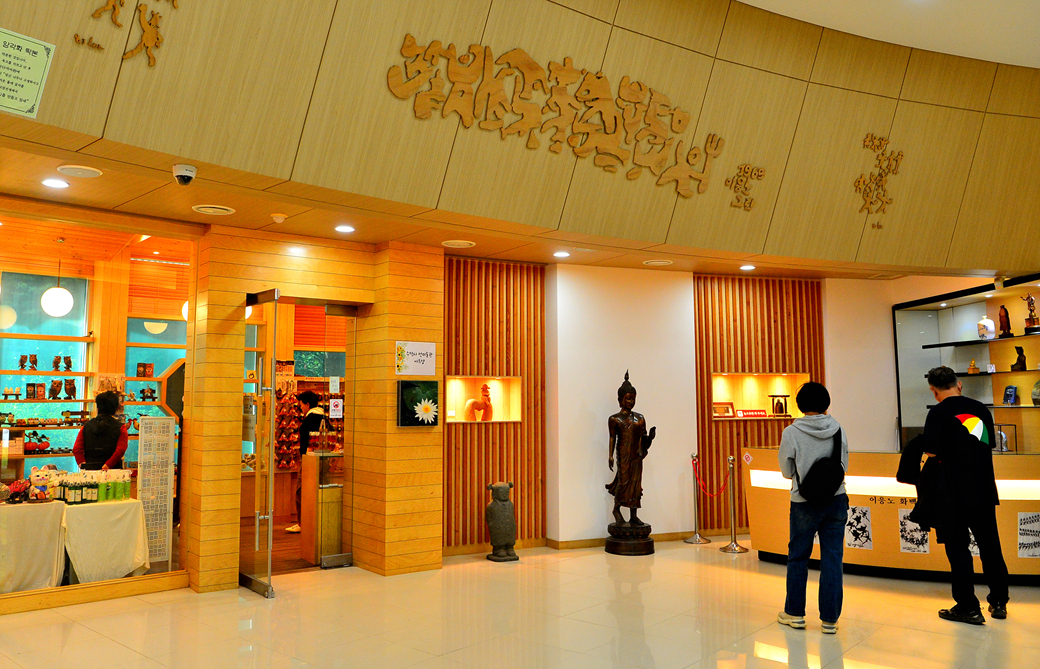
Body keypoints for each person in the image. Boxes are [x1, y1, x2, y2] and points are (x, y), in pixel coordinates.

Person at [924, 366, 1008, 624]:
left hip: (951, 494)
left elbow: (932, 451)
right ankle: (999, 601)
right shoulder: (981, 410)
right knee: (990, 546)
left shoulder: (937, 413)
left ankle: (968, 607)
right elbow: (988, 444)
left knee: (958, 550)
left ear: (934, 391)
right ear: (959, 384)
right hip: (982, 489)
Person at [777, 382, 849, 634]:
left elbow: (787, 471)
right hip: (836, 499)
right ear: (826, 403)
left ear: (800, 404)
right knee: (832, 558)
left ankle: (795, 613)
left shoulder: (791, 432)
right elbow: (843, 465)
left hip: (804, 502)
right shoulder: (838, 428)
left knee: (798, 556)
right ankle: (830, 620)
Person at [606, 372, 655, 525]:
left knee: (635, 483)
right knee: (623, 481)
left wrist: (650, 438)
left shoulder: (640, 418)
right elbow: (612, 438)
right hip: (623, 454)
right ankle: (617, 508)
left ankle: (634, 514)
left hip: (637, 455)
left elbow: (643, 438)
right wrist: (610, 455)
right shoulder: (614, 419)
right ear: (620, 400)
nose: (631, 401)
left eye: (633, 398)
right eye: (627, 398)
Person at [286, 391, 327, 534]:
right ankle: (314, 520)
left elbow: (307, 443)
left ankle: (302, 522)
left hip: (309, 460)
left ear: (307, 404)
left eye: (301, 404)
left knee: (301, 490)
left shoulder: (310, 419)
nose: (300, 408)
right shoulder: (323, 417)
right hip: (322, 460)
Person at [73, 390, 129, 471]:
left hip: (90, 470)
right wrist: (108, 465)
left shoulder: (86, 426)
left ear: (98, 408)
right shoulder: (121, 427)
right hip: (113, 471)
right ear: (116, 408)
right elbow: (121, 450)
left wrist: (83, 465)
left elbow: (77, 449)